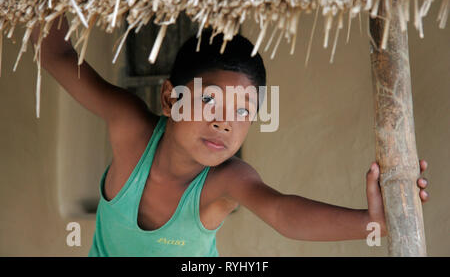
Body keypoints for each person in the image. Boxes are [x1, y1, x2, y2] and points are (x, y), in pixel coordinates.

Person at [30, 15, 429, 257]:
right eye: (211, 102)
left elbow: (283, 214)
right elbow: (57, 57)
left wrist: (373, 222)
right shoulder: (131, 129)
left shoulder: (226, 181)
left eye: (244, 111)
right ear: (170, 98)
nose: (226, 123)